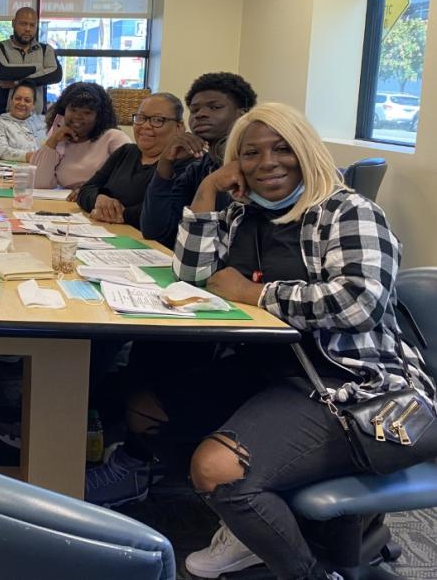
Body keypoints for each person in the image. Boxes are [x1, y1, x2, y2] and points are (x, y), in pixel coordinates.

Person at [93, 104, 436, 580]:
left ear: (307, 151)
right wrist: (209, 188)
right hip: (270, 372)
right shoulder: (244, 213)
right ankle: (249, 525)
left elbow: (361, 303)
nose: (268, 162)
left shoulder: (346, 211)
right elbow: (191, 276)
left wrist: (257, 293)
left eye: (282, 149)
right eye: (250, 153)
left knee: (216, 470)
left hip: (350, 384)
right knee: (145, 409)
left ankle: (310, 569)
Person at [139, 71, 257, 248]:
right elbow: (155, 232)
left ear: (242, 114)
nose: (200, 114)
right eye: (194, 110)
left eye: (214, 107)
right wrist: (165, 164)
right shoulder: (198, 168)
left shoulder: (254, 168)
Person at [76, 93, 185, 228]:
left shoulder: (182, 163)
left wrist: (123, 214)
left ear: (179, 127)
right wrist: (99, 199)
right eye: (141, 118)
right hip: (106, 234)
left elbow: (162, 210)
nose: (145, 126)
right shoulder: (126, 152)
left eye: (157, 120)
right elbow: (86, 190)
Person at [31, 82, 130, 191]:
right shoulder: (60, 140)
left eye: (87, 113)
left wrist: (91, 191)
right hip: (64, 204)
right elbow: (39, 184)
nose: (77, 117)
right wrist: (53, 140)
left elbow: (131, 178)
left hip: (97, 204)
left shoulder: (113, 137)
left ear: (98, 117)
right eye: (72, 110)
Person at [0, 6, 62, 117]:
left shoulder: (46, 50)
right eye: (23, 24)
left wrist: (16, 82)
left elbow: (55, 75)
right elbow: (3, 72)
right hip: (3, 117)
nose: (28, 29)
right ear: (13, 23)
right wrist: (38, 68)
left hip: (36, 118)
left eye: (32, 25)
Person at [0, 81, 47, 162]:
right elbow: (0, 151)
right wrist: (30, 156)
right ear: (11, 100)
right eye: (18, 98)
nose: (22, 103)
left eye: (27, 100)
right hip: (14, 173)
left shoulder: (44, 122)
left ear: (33, 104)